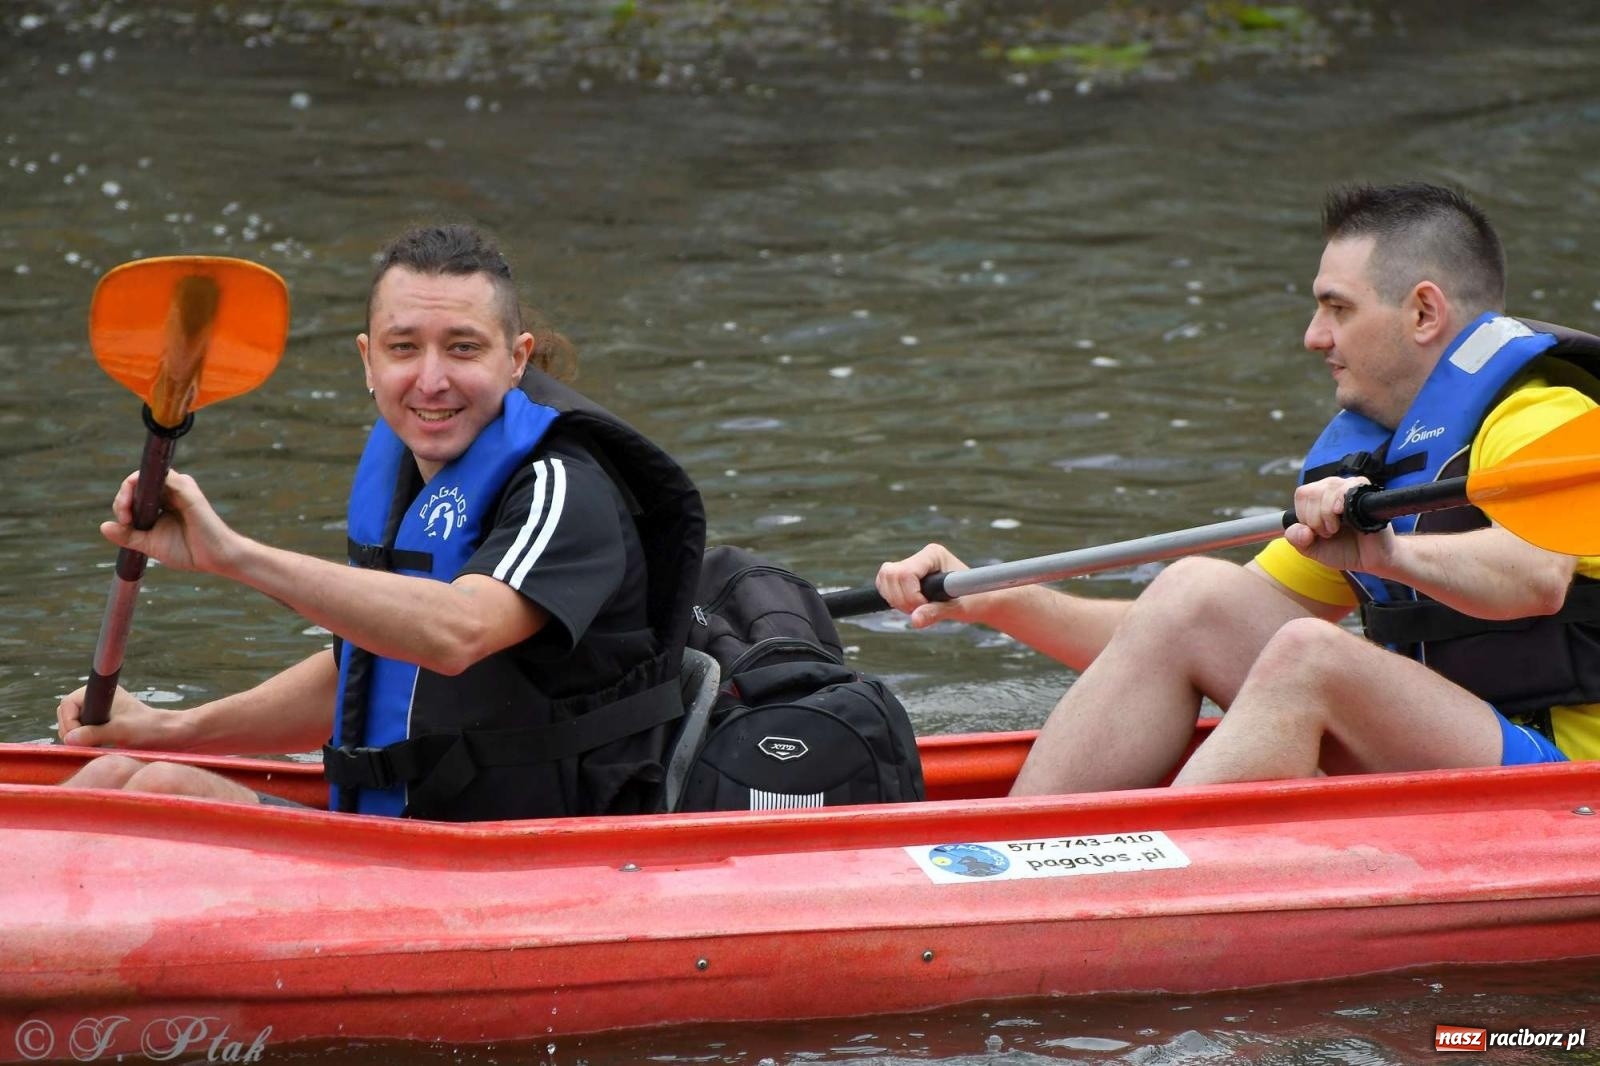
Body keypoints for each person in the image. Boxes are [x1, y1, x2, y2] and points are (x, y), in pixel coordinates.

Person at [877, 182, 1600, 791]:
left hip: (1566, 784)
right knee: (1194, 593)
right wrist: (1001, 600)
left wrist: (1385, 554)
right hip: (1465, 749)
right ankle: (1007, 858)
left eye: (1338, 307)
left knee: (1313, 657)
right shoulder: (1385, 456)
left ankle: (1142, 873)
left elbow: (1534, 578)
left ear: (1423, 312)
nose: (1314, 336)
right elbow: (1170, 636)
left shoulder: (1549, 420)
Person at [56, 224, 705, 821]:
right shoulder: (408, 473)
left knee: (167, 795)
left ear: (517, 358)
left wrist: (232, 554)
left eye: (463, 348)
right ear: (369, 360)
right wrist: (169, 729)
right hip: (407, 832)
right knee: (116, 774)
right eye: (403, 348)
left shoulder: (562, 487)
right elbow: (360, 675)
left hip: (530, 849)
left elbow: (458, 632)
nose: (431, 380)